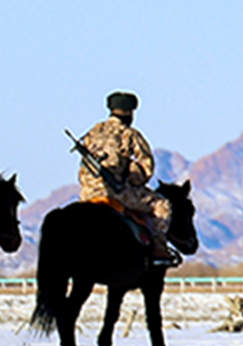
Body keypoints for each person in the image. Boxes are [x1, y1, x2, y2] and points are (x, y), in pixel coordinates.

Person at [75, 90, 176, 264]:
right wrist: (132, 176)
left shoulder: (92, 132)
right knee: (162, 205)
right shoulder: (129, 134)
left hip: (86, 194)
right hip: (116, 194)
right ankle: (159, 248)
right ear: (130, 113)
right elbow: (146, 169)